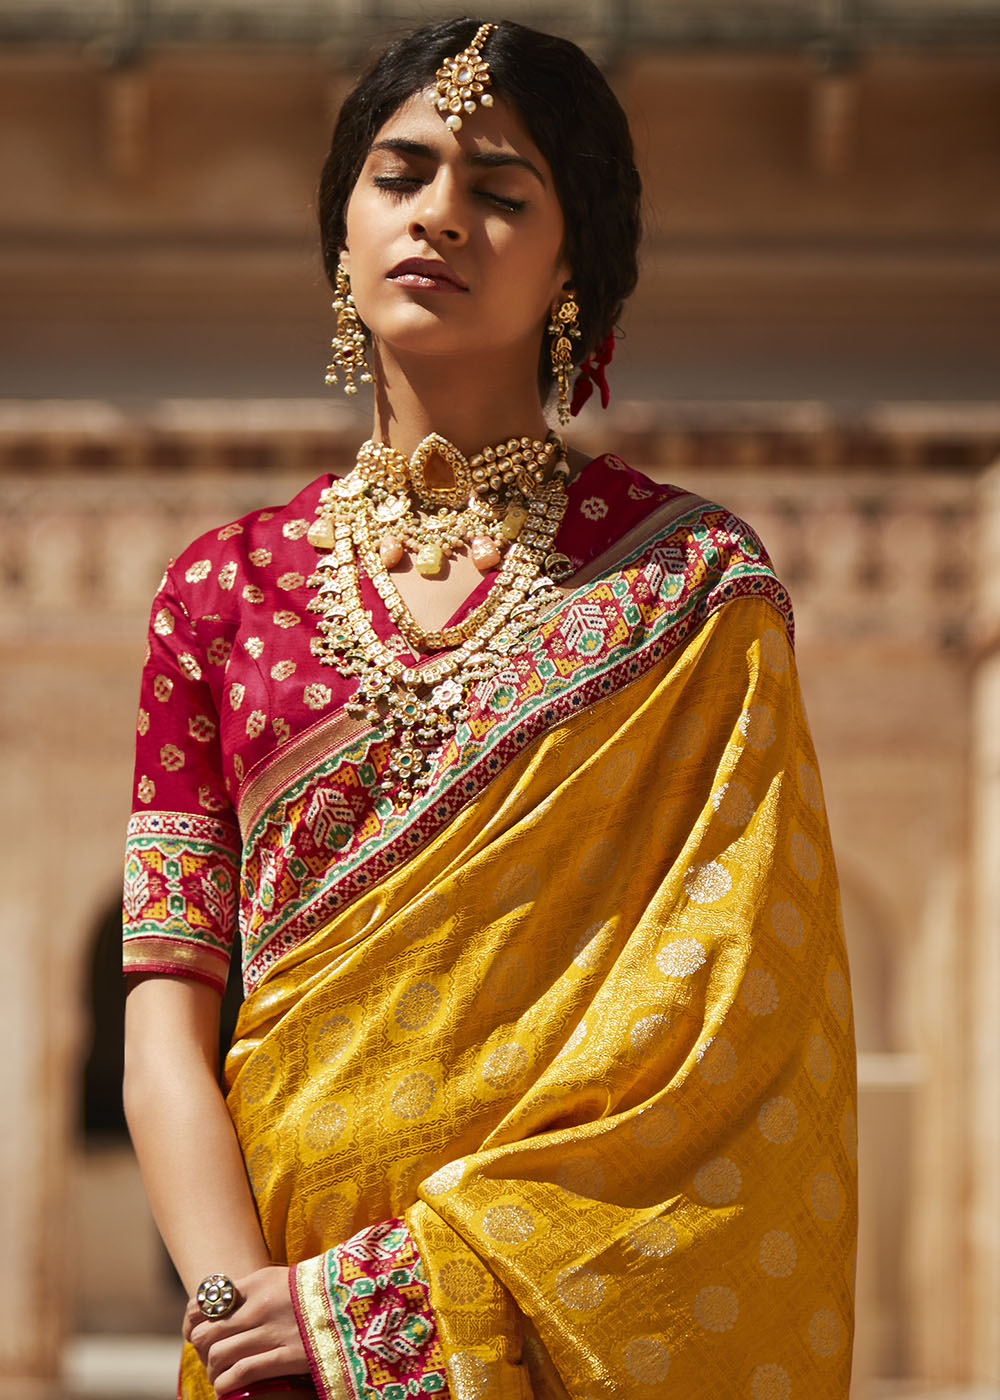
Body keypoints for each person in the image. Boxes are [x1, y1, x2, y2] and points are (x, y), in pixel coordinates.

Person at [122, 17, 857, 1400]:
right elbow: (168, 1018)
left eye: (502, 192)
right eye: (399, 177)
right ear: (341, 230)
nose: (441, 216)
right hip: (264, 1340)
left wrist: (369, 1314)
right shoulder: (220, 591)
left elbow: (729, 1045)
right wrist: (244, 1319)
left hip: (568, 1335)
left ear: (573, 257)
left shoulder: (690, 590)